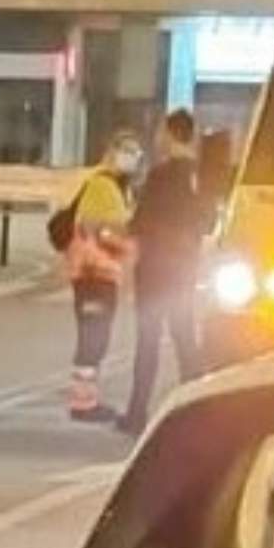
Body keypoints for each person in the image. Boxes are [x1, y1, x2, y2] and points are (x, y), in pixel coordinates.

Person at [121, 110, 207, 437]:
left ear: (171, 134)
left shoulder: (161, 176)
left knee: (148, 342)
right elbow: (207, 221)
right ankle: (199, 411)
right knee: (186, 341)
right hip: (185, 268)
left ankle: (136, 413)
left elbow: (141, 221)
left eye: (161, 132)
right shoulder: (201, 176)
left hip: (157, 270)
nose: (158, 138)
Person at [62, 130, 140, 424]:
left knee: (97, 336)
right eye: (128, 150)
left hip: (102, 273)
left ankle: (87, 399)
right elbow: (99, 228)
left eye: (135, 153)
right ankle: (83, 404)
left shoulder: (117, 186)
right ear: (113, 150)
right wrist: (127, 242)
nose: (132, 157)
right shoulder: (101, 184)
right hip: (93, 273)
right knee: (92, 337)